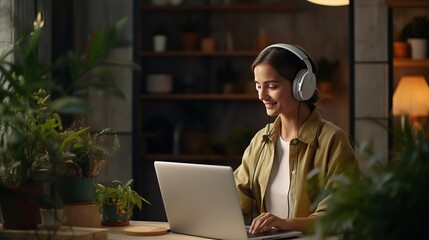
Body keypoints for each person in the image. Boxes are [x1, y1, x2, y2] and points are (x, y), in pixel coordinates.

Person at [233, 43, 360, 234]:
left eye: (272, 86)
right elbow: (237, 195)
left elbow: (339, 214)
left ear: (301, 85)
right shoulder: (261, 140)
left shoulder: (332, 141)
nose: (261, 95)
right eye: (258, 86)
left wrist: (286, 223)